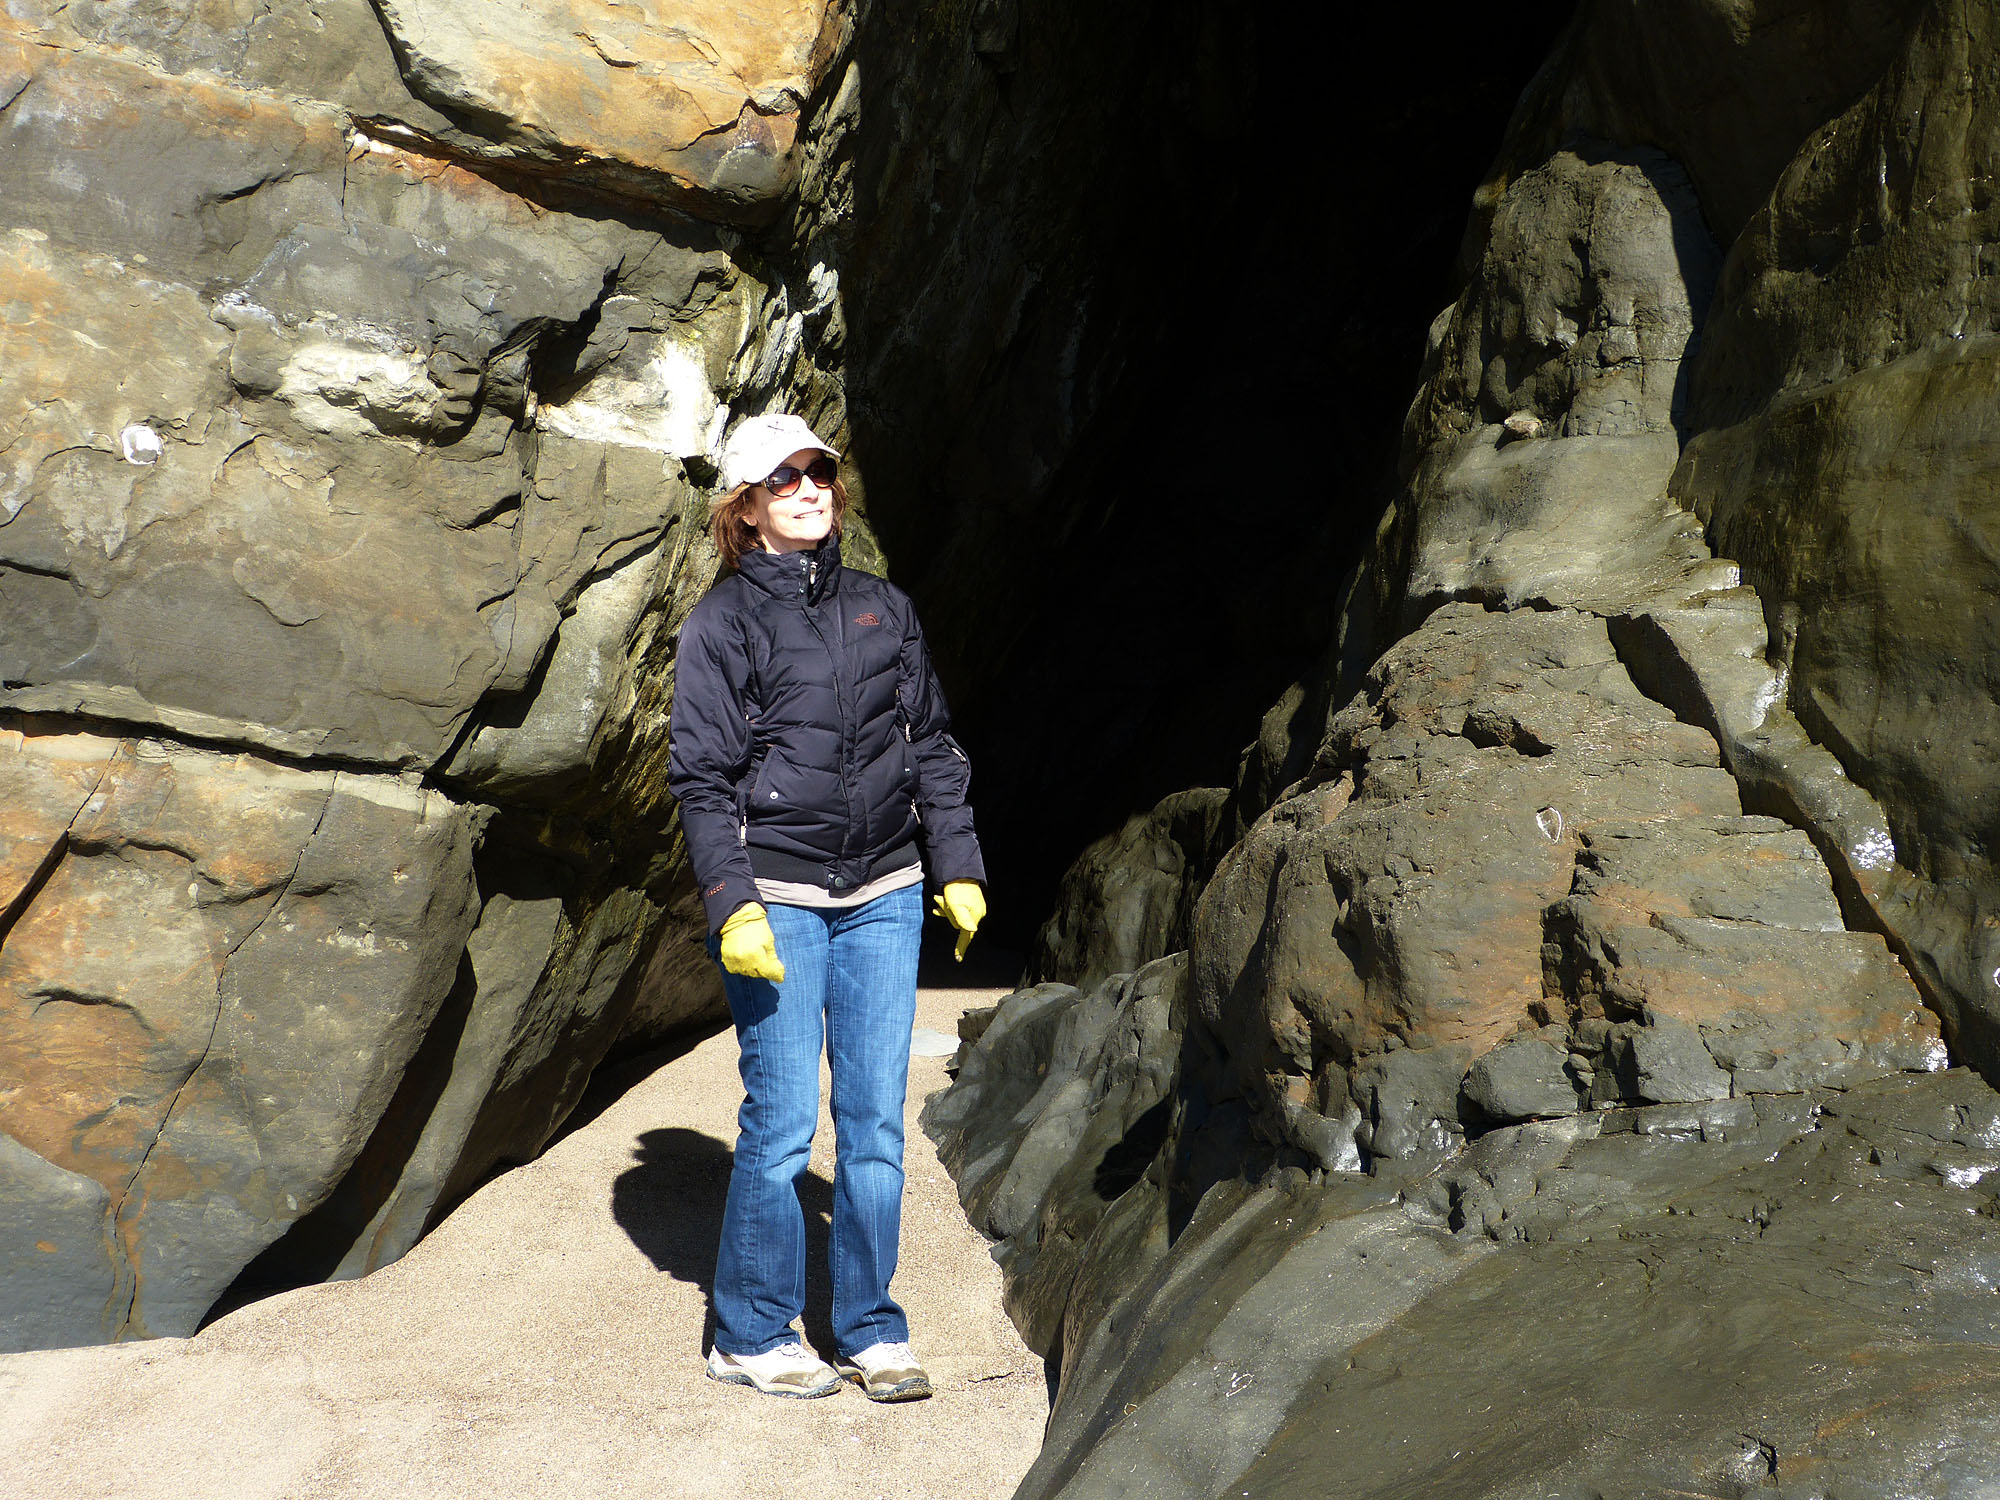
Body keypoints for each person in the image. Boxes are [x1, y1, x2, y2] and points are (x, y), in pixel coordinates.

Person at [666, 412, 988, 1402]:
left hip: (885, 891)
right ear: (745, 509)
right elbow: (701, 777)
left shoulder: (882, 607)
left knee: (875, 1121)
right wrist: (733, 903)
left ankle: (869, 1328)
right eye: (783, 478)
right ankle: (751, 1333)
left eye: (818, 471)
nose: (808, 488)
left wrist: (957, 862)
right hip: (778, 898)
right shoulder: (721, 625)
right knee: (780, 1125)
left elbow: (931, 743)